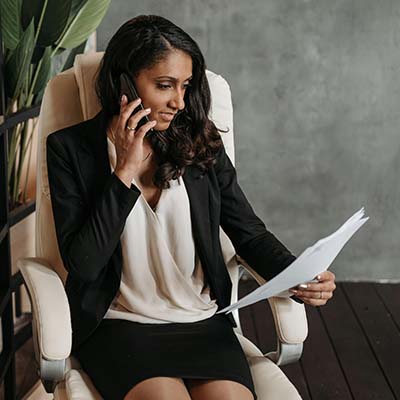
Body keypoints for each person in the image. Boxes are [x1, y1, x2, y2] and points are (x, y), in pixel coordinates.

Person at [46, 15, 336, 400]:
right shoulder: (70, 149)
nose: (179, 102)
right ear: (124, 82)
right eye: (164, 86)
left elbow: (248, 232)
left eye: (185, 86)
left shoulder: (200, 143)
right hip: (119, 325)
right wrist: (124, 172)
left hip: (201, 320)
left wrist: (300, 275)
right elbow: (84, 263)